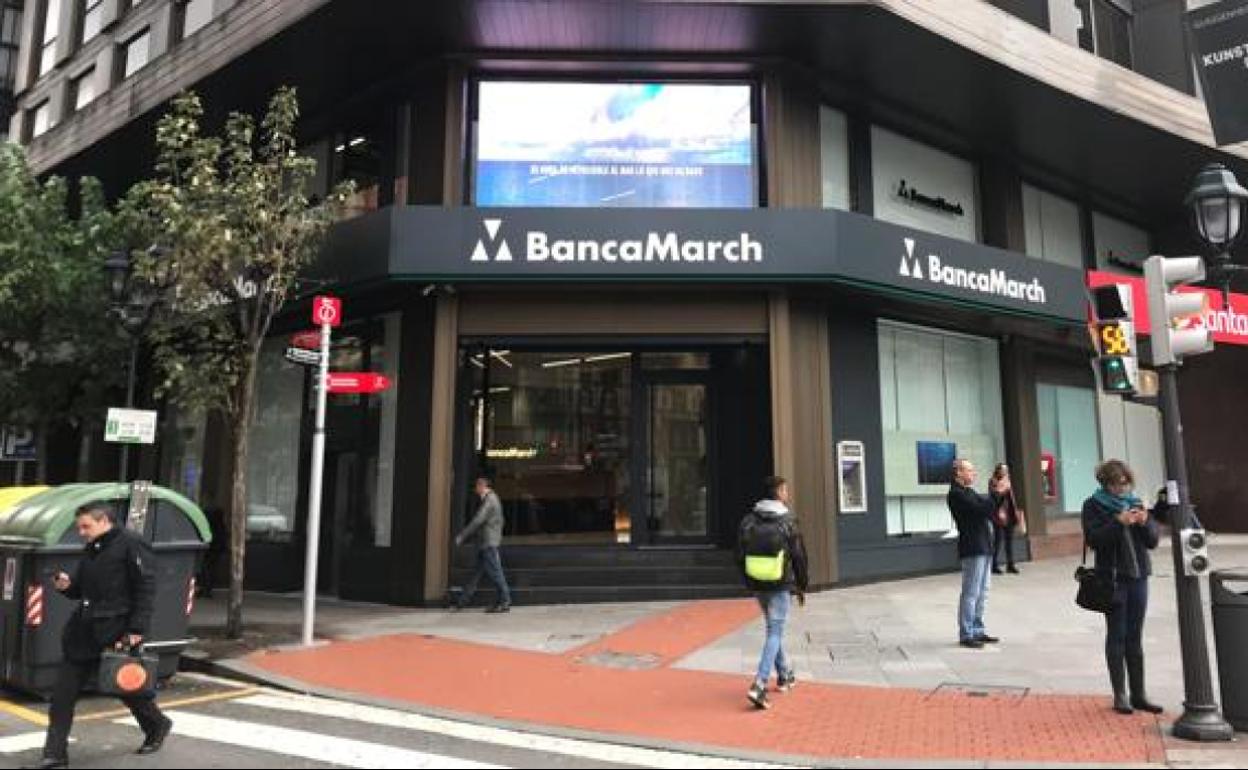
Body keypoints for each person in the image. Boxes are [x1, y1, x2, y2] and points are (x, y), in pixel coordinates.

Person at [32, 504, 172, 769]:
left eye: (86, 526)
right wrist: (67, 586)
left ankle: (157, 724)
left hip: (117, 631)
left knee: (128, 689)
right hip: (83, 633)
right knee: (62, 696)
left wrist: (136, 630)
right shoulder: (93, 547)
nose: (82, 532)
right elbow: (81, 589)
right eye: (79, 527)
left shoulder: (131, 544)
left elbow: (145, 589)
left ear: (104, 521)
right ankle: (55, 755)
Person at [1082, 459, 1163, 716]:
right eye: (1118, 485)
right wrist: (1119, 523)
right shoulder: (1093, 505)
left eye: (1126, 484)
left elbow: (1152, 542)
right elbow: (1094, 540)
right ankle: (1120, 694)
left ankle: (1139, 694)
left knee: (1135, 636)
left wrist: (1145, 522)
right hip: (1113, 579)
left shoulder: (1136, 502)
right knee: (1117, 633)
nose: (1123, 489)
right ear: (1106, 484)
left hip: (1138, 576)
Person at [737, 476, 809, 710]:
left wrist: (749, 581)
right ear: (778, 493)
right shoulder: (788, 521)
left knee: (772, 630)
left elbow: (739, 554)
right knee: (775, 632)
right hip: (779, 584)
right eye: (785, 490)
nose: (787, 493)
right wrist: (801, 585)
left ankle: (785, 675)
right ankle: (759, 684)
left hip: (758, 583)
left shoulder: (748, 521)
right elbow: (799, 557)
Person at [947, 458, 1002, 649]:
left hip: (984, 546)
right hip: (972, 547)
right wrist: (996, 493)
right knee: (971, 592)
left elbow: (990, 508)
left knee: (983, 591)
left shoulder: (968, 492)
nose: (974, 473)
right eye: (970, 470)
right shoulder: (956, 494)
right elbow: (982, 509)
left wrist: (996, 493)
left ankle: (977, 629)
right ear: (959, 473)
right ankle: (966, 633)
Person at [453, 475, 511, 613]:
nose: (475, 490)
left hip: (488, 543)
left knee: (495, 573)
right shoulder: (491, 499)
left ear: (482, 486)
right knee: (477, 573)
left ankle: (505, 601)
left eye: (477, 487)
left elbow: (478, 520)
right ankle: (462, 601)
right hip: (485, 542)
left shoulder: (490, 500)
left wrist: (462, 535)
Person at [990, 463, 1025, 575]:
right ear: (998, 471)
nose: (1005, 472)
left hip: (1009, 514)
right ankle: (994, 565)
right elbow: (995, 499)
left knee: (1009, 541)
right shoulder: (993, 482)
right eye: (1003, 470)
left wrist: (1015, 511)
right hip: (998, 516)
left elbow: (1011, 499)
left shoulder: (1007, 481)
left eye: (1006, 470)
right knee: (998, 541)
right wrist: (1003, 489)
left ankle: (1010, 564)